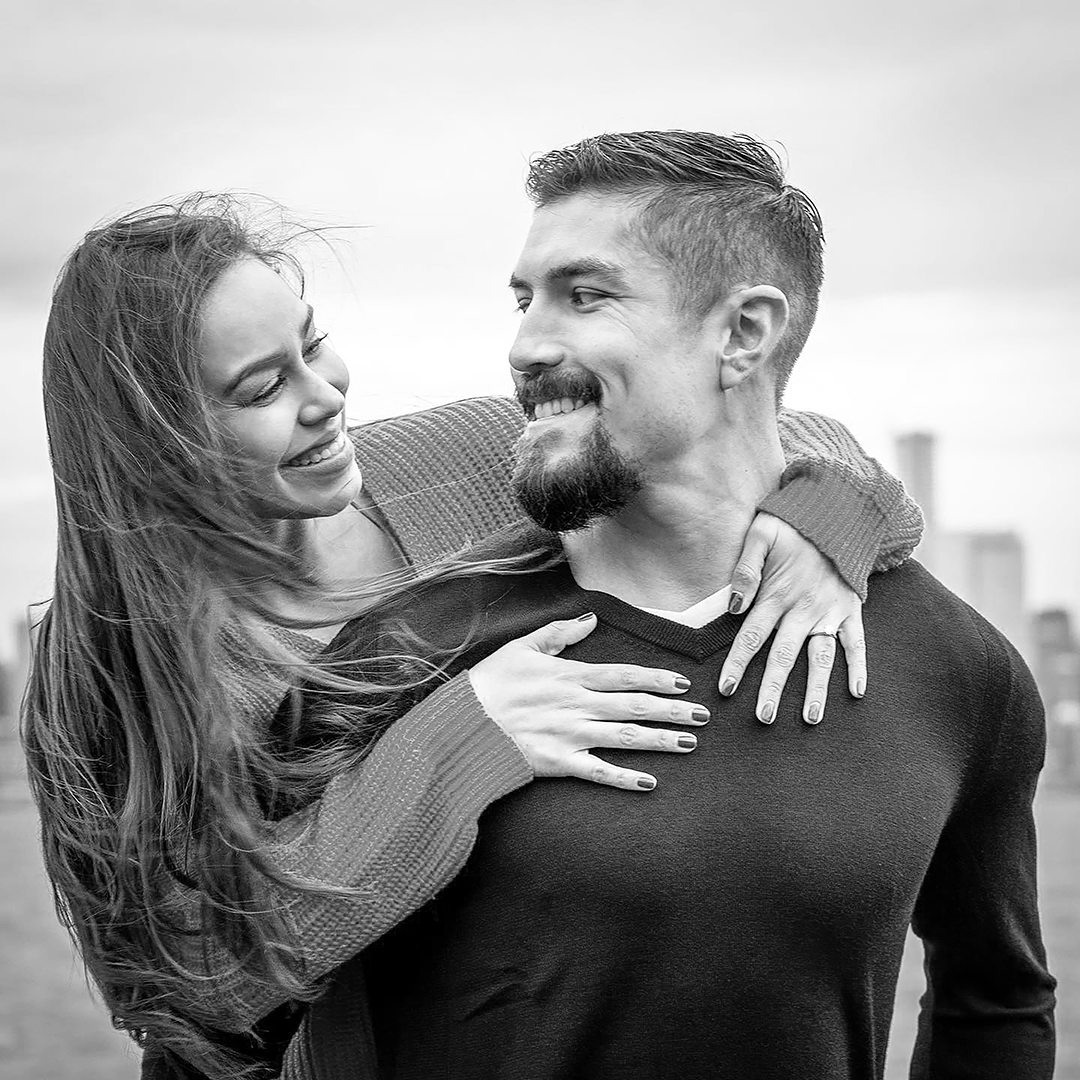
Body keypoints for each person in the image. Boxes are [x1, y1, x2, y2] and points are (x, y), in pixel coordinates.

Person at [20, 195, 922, 1080]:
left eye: (313, 342)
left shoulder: (468, 456)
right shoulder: (104, 659)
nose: (323, 394)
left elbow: (773, 437)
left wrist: (827, 520)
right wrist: (461, 745)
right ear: (155, 444)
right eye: (262, 386)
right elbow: (190, 981)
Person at [284, 132, 1057, 1079]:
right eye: (525, 300)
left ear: (743, 333)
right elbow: (226, 1010)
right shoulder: (407, 652)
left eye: (585, 294)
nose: (526, 345)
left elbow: (1000, 1001)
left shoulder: (957, 670)